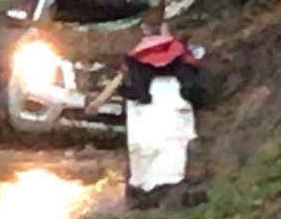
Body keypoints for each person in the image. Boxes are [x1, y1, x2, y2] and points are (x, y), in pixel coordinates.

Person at [85, 22, 201, 209]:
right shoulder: (176, 50)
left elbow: (118, 80)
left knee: (144, 150)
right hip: (174, 95)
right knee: (172, 146)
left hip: (146, 100)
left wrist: (97, 103)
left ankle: (145, 191)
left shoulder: (138, 55)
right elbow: (191, 68)